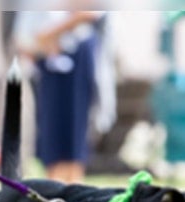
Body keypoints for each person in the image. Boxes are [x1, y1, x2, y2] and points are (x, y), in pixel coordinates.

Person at [14, 11, 116, 183]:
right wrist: (48, 40)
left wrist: (54, 33)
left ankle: (72, 185)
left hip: (78, 58)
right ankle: (55, 187)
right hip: (47, 67)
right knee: (51, 133)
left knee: (75, 133)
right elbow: (24, 40)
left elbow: (90, 14)